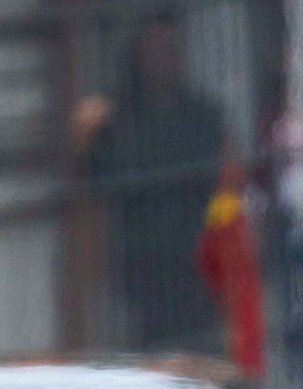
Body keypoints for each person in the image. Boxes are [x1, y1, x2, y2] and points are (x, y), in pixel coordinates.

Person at [73, 15, 226, 353]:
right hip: (140, 253)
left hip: (193, 249)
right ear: (138, 58)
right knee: (149, 345)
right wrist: (86, 137)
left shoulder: (199, 113)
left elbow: (216, 173)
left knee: (199, 343)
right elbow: (97, 178)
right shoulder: (120, 118)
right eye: (153, 51)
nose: (161, 60)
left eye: (168, 51)